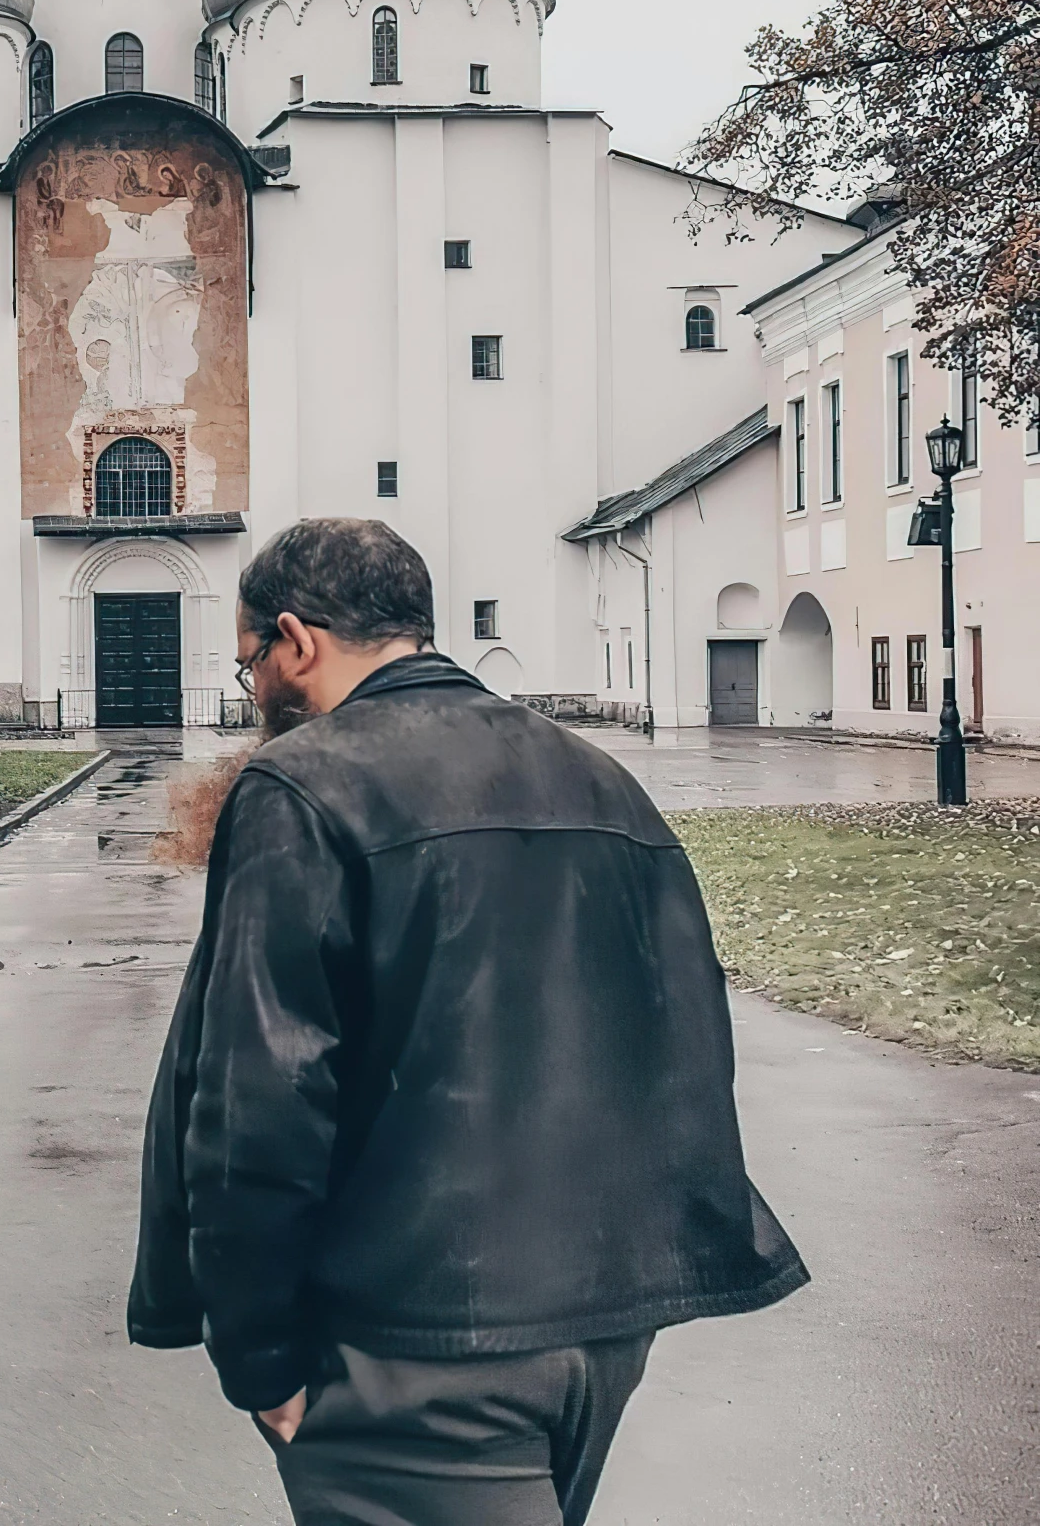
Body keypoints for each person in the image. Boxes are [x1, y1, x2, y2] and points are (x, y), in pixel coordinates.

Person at [128, 517, 807, 1526]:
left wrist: (260, 1358)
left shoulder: (305, 784)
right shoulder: (598, 777)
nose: (256, 695)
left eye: (251, 666)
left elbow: (258, 1094)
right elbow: (685, 1036)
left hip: (416, 1336)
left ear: (296, 640)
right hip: (597, 1322)